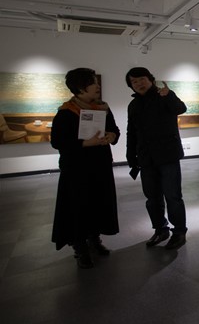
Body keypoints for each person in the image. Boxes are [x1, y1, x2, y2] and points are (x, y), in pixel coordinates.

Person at [51, 68, 120, 269]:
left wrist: (112, 136)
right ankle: (80, 247)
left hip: (100, 165)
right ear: (81, 88)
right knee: (78, 206)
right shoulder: (66, 113)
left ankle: (94, 239)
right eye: (93, 83)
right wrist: (86, 143)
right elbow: (58, 142)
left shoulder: (102, 108)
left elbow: (114, 129)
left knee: (98, 203)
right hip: (76, 169)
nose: (97, 86)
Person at [125, 67, 188, 250]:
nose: (139, 83)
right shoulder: (133, 105)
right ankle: (161, 229)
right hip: (146, 158)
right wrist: (131, 156)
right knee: (152, 198)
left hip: (168, 156)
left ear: (151, 79)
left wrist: (169, 95)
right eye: (134, 81)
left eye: (142, 79)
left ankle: (179, 232)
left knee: (173, 196)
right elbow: (131, 132)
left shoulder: (163, 96)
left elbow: (181, 109)